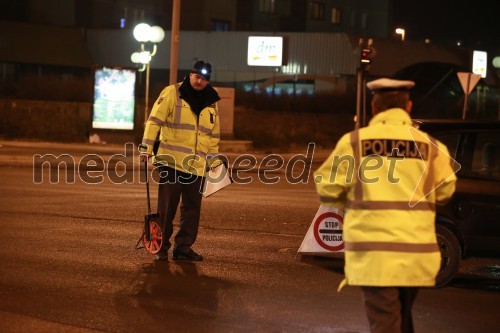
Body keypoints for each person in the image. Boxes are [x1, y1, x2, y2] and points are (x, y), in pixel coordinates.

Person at [314, 78, 457, 333]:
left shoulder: (355, 142)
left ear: (374, 108)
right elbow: (446, 190)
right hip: (416, 255)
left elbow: (328, 188)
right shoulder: (431, 146)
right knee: (401, 321)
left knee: (387, 324)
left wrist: (344, 200)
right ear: (408, 107)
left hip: (375, 255)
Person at [139, 60, 221, 262]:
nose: (200, 81)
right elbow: (154, 120)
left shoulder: (211, 101)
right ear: (190, 75)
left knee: (192, 209)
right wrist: (146, 148)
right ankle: (161, 247)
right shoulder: (172, 92)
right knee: (167, 209)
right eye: (197, 76)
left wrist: (215, 162)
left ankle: (183, 247)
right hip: (171, 162)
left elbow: (212, 136)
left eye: (204, 79)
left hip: (198, 167)